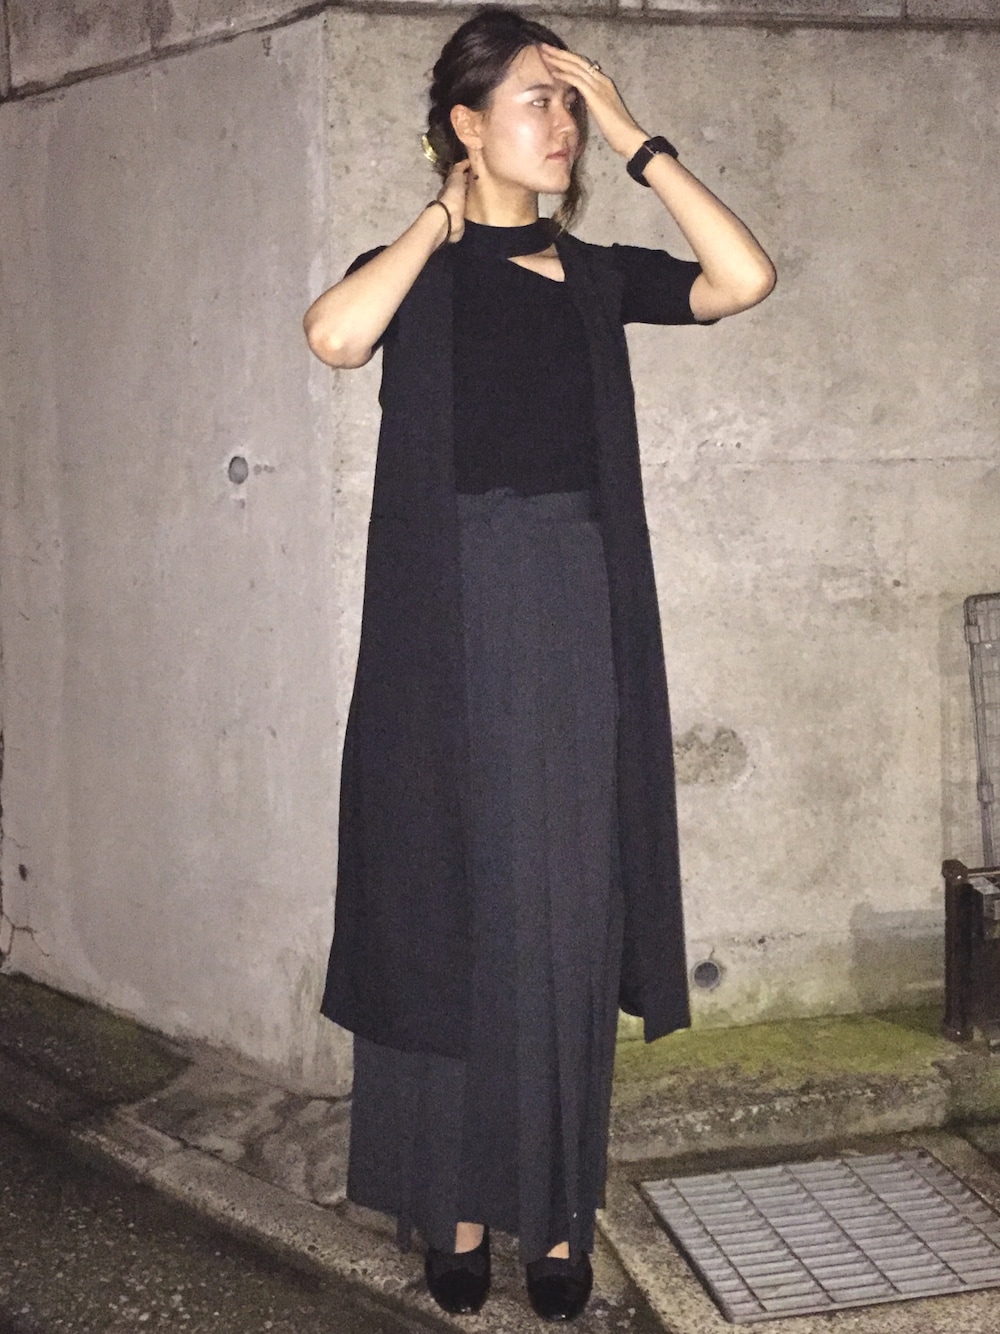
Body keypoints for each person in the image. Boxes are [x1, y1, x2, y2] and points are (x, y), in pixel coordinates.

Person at [304, 7, 774, 1322]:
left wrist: (633, 134)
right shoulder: (413, 270)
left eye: (566, 101)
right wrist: (439, 218)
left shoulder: (597, 277)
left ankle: (558, 1217)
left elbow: (742, 278)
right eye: (535, 99)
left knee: (564, 912)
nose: (558, 123)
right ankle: (455, 1203)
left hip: (571, 616)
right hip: (443, 629)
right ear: (465, 124)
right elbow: (335, 335)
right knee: (450, 907)